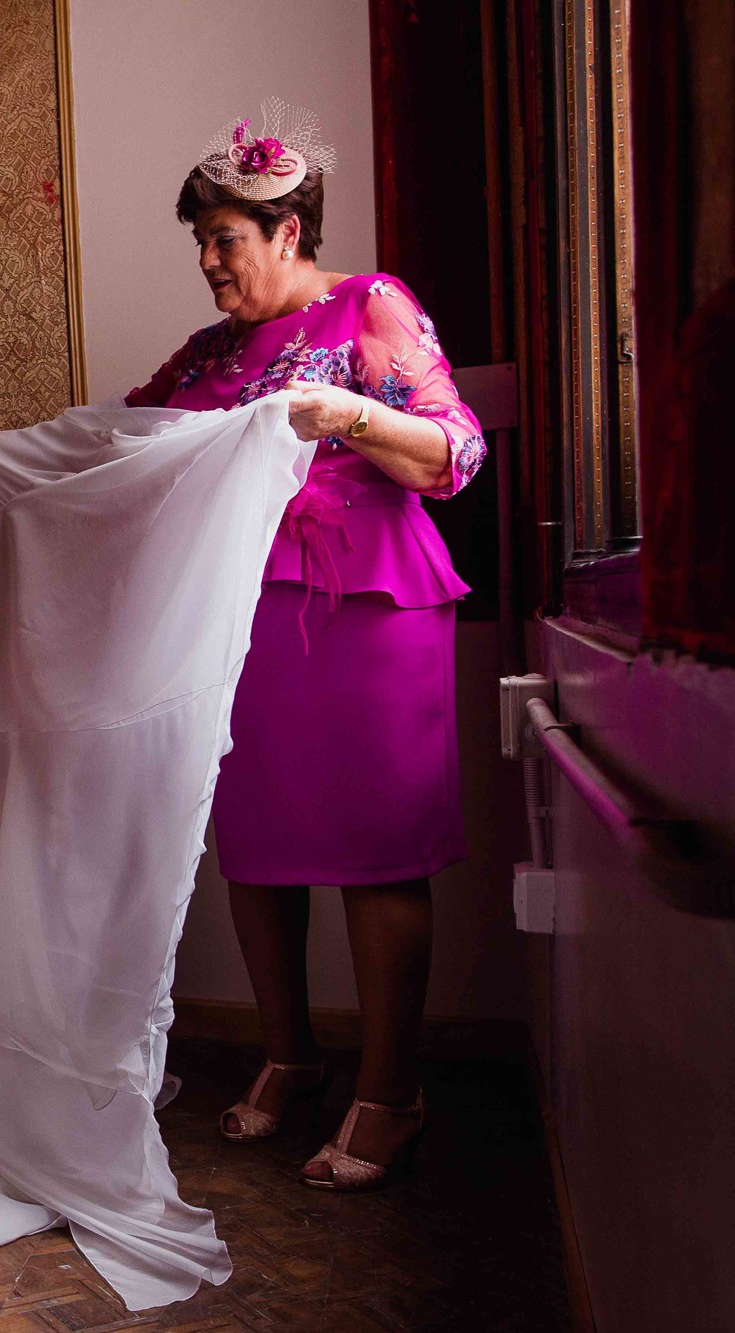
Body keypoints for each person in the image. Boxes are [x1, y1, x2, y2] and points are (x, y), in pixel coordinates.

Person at [125, 101, 483, 1190]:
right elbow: (130, 451)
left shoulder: (367, 307)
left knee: (375, 850)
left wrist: (348, 414)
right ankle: (289, 1053)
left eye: (223, 239)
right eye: (198, 240)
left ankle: (390, 1088)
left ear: (287, 234)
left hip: (369, 609)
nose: (205, 261)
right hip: (243, 623)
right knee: (258, 841)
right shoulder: (206, 354)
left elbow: (453, 452)